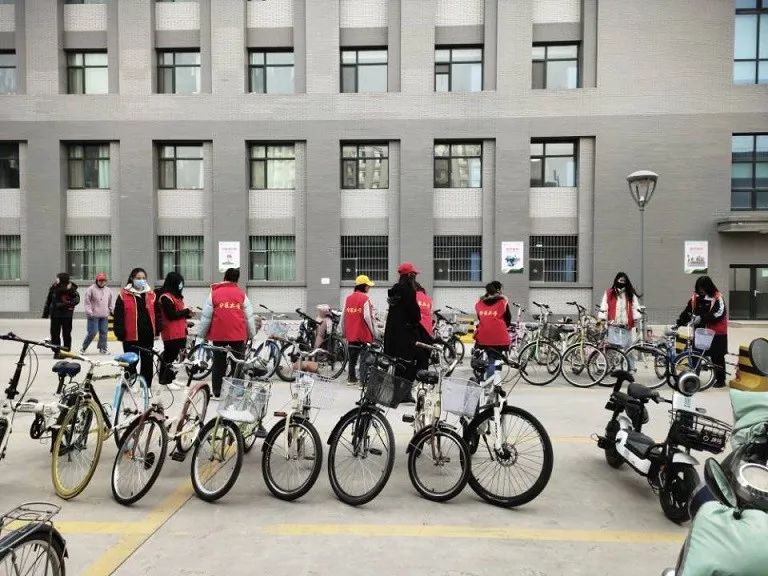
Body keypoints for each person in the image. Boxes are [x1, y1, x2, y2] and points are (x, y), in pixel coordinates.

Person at [197, 268, 257, 400]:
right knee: (238, 363)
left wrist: (202, 333)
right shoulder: (242, 294)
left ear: (224, 277)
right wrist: (251, 334)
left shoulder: (214, 293)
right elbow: (249, 317)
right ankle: (238, 392)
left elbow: (206, 316)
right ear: (237, 279)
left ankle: (217, 392)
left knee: (218, 363)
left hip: (219, 334)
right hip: (238, 334)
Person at [675, 275, 728, 388]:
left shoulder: (717, 297)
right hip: (700, 332)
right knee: (695, 354)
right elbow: (688, 312)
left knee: (717, 356)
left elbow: (719, 313)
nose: (701, 290)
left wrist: (702, 318)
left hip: (716, 333)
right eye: (699, 288)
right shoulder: (696, 298)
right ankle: (694, 377)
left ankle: (720, 380)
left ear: (709, 287)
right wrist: (679, 323)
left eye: (703, 288)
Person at [113, 268, 159, 387]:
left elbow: (157, 313)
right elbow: (118, 315)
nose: (141, 280)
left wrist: (157, 330)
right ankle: (130, 382)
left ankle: (146, 386)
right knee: (131, 361)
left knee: (147, 362)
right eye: (138, 278)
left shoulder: (151, 294)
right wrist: (119, 331)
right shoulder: (123, 294)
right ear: (132, 279)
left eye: (143, 278)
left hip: (147, 335)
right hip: (130, 335)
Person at [384, 262, 422, 403]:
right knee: (410, 363)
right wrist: (416, 319)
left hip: (392, 334)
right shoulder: (408, 290)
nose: (415, 276)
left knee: (397, 364)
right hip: (405, 334)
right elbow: (414, 313)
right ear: (410, 275)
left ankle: (396, 394)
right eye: (414, 274)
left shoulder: (395, 290)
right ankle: (404, 394)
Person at [156, 271, 193, 390]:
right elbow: (171, 315)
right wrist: (186, 311)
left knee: (174, 356)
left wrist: (188, 313)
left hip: (179, 330)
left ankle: (171, 378)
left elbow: (179, 313)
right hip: (170, 332)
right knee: (169, 356)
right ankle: (165, 380)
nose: (180, 285)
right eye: (179, 283)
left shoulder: (176, 297)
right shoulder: (165, 297)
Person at [598, 272, 642, 367]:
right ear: (616, 280)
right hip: (613, 325)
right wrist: (602, 318)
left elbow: (635, 307)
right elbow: (604, 306)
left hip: (627, 325)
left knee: (628, 348)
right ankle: (610, 367)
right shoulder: (609, 292)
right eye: (621, 280)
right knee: (612, 348)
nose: (622, 282)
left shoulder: (630, 293)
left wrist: (636, 318)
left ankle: (631, 367)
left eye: (624, 281)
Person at [341, 275, 377, 386]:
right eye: (368, 286)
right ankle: (363, 381)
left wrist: (343, 331)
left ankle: (351, 379)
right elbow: (367, 316)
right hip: (362, 334)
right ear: (364, 286)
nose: (369, 288)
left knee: (352, 358)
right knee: (364, 359)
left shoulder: (348, 298)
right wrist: (372, 331)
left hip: (351, 334)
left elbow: (343, 316)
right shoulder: (365, 298)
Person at [474, 281, 512, 379]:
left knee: (485, 355)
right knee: (494, 360)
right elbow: (508, 319)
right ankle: (491, 382)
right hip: (499, 337)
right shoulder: (502, 302)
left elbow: (480, 318)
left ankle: (483, 377)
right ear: (498, 290)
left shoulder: (479, 303)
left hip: (483, 336)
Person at [42, 272, 80, 357]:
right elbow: (49, 300)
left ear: (62, 279)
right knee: (55, 334)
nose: (56, 279)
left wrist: (65, 304)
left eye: (58, 278)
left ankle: (66, 350)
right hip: (55, 314)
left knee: (66, 333)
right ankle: (57, 351)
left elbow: (76, 300)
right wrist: (46, 313)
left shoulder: (72, 288)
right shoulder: (54, 287)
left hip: (67, 315)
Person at [80, 272, 114, 355]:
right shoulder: (91, 289)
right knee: (92, 332)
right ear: (97, 280)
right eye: (100, 280)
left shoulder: (108, 290)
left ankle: (103, 348)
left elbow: (110, 302)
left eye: (104, 280)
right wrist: (89, 312)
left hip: (104, 315)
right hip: (93, 315)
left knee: (104, 332)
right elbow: (87, 302)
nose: (102, 282)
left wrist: (111, 310)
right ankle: (83, 348)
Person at [414, 283, 434, 372]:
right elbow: (430, 312)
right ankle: (424, 375)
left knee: (415, 355)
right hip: (428, 331)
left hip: (417, 329)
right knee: (425, 357)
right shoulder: (428, 299)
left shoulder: (413, 296)